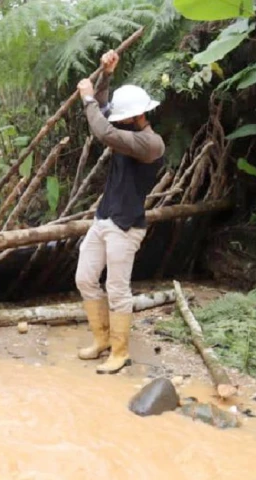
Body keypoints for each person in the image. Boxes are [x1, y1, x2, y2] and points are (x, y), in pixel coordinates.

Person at [75, 50, 165, 374]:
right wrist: (106, 74)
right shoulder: (127, 131)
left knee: (117, 289)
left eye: (120, 116)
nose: (115, 118)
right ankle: (101, 339)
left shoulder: (150, 144)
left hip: (126, 226)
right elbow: (104, 112)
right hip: (104, 218)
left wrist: (87, 98)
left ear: (135, 116)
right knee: (85, 278)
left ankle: (120, 350)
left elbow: (103, 130)